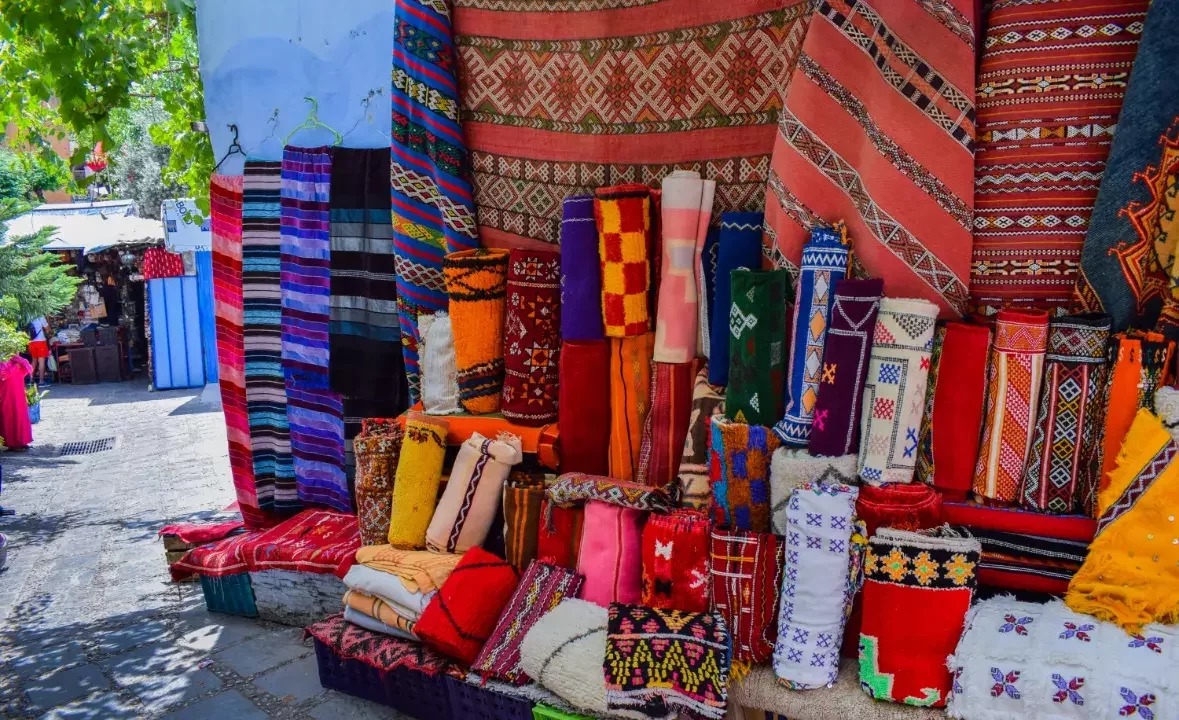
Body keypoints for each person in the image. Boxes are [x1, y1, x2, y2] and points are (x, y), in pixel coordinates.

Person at [0, 354, 33, 450]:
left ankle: (22, 441)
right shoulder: (2, 362)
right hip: (7, 395)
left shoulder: (16, 360)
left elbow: (29, 369)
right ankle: (12, 444)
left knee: (21, 417)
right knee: (10, 417)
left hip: (19, 395)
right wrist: (15, 367)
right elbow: (3, 375)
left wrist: (20, 360)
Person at [26, 316, 50, 385]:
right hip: (40, 341)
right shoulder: (40, 317)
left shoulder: (28, 316)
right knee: (41, 361)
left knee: (34, 360)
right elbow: (47, 328)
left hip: (31, 341)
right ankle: (41, 381)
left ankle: (31, 380)